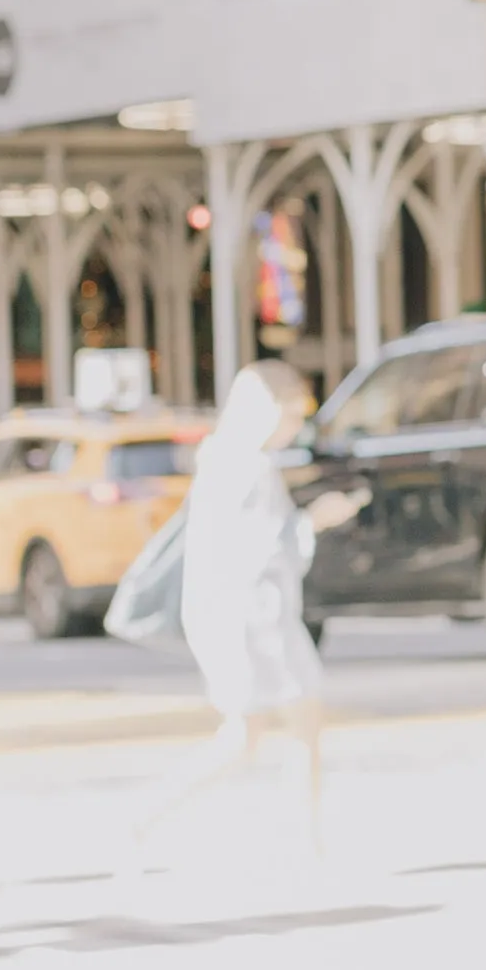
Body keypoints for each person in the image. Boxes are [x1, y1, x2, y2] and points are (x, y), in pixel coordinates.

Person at [149, 359, 333, 842]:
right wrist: (315, 520)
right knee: (275, 730)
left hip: (240, 616)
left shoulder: (222, 459)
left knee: (266, 732)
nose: (296, 427)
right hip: (256, 618)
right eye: (292, 414)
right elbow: (266, 550)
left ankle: (305, 837)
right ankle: (304, 840)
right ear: (267, 412)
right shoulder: (251, 467)